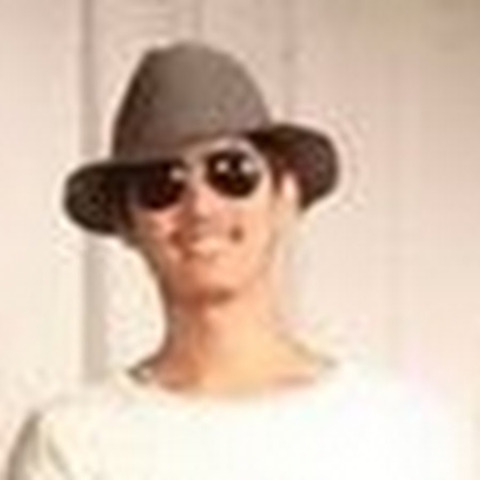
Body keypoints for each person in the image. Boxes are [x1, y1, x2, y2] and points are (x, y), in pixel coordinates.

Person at [7, 42, 472, 480]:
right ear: (127, 223)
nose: (200, 208)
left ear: (286, 197)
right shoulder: (69, 442)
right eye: (160, 184)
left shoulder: (401, 431)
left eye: (231, 172)